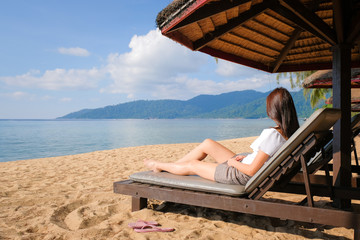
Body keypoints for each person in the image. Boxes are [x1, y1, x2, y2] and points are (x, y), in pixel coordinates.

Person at [144, 87, 299, 185]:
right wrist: (241, 160)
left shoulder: (273, 134)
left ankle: (158, 165)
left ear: (273, 110)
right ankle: (173, 167)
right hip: (245, 164)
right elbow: (263, 159)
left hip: (241, 173)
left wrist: (232, 163)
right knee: (207, 143)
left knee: (193, 165)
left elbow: (252, 171)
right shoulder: (290, 133)